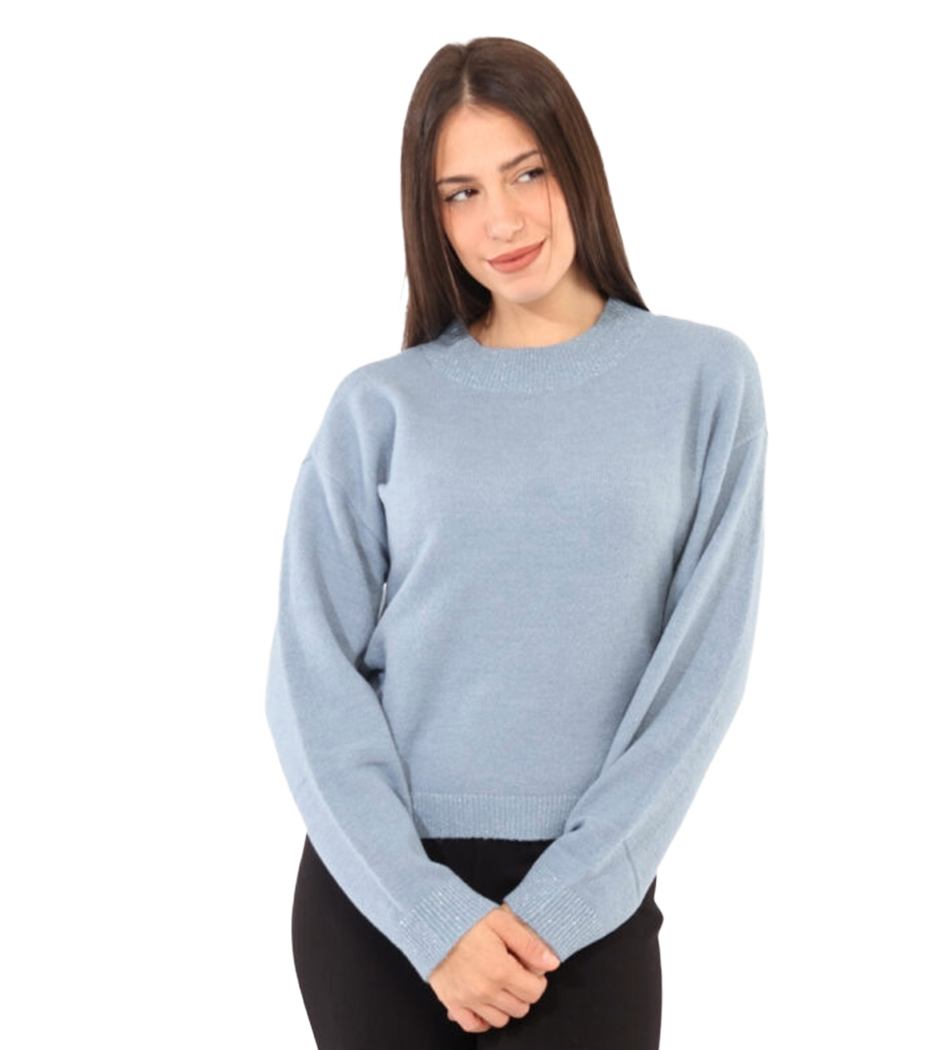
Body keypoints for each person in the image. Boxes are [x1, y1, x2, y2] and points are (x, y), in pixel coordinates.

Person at [265, 36, 766, 1050]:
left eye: (527, 172)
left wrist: (560, 908)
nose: (501, 220)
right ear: (431, 215)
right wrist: (428, 918)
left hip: (588, 909)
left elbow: (700, 678)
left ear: (577, 165)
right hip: (381, 907)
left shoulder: (704, 380)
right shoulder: (381, 404)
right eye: (460, 193)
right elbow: (309, 678)